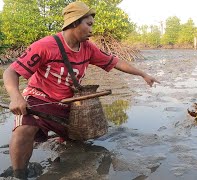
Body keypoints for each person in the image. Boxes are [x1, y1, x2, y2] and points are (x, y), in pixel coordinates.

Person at [2, 1, 159, 179]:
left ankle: (62, 144)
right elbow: (11, 71)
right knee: (24, 128)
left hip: (69, 104)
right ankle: (19, 174)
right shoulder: (44, 46)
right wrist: (16, 97)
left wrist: (143, 74)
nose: (92, 30)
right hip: (40, 99)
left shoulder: (88, 49)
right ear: (75, 22)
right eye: (89, 24)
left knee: (78, 143)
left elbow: (116, 62)